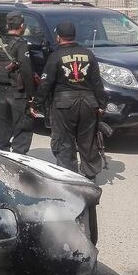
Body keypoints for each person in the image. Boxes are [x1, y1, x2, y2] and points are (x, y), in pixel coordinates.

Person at [34, 22, 107, 179]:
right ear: (74, 36)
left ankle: (70, 178)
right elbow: (97, 82)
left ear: (58, 37)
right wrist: (102, 104)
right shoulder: (88, 54)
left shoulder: (55, 56)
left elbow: (45, 83)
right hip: (89, 104)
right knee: (88, 141)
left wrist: (36, 104)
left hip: (63, 105)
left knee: (64, 142)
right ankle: (90, 176)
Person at [0, 11, 37, 154]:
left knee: (2, 129)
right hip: (18, 93)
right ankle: (19, 163)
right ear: (22, 26)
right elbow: (27, 71)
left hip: (2, 91)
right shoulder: (21, 44)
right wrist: (31, 95)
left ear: (7, 25)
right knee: (23, 128)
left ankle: (1, 158)